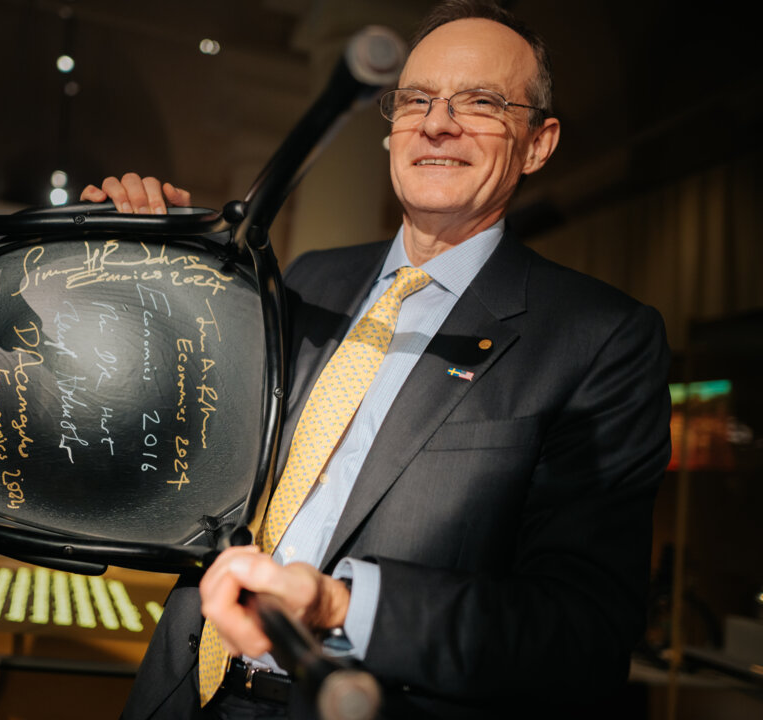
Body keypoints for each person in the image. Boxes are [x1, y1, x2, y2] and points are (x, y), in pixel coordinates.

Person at [83, 1, 671, 717]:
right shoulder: (308, 278)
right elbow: (180, 447)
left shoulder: (600, 339)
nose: (437, 122)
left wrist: (342, 606)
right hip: (182, 691)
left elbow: (584, 631)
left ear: (539, 142)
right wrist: (146, 277)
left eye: (480, 101)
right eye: (416, 98)